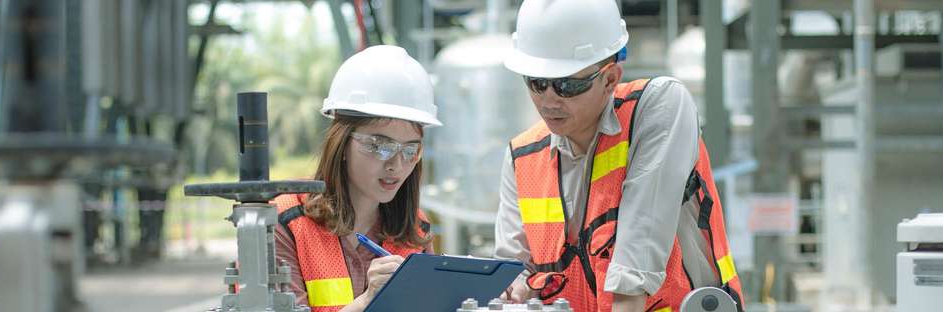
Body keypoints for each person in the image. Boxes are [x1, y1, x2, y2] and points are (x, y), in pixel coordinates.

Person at [495, 1, 744, 311]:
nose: (549, 100)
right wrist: (515, 288)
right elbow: (513, 268)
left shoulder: (657, 108)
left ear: (610, 78)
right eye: (537, 83)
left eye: (567, 85)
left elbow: (637, 256)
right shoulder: (522, 156)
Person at [272, 45, 442, 312]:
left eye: (410, 149)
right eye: (379, 145)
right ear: (341, 145)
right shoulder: (285, 222)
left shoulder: (416, 229)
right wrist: (367, 301)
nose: (396, 165)